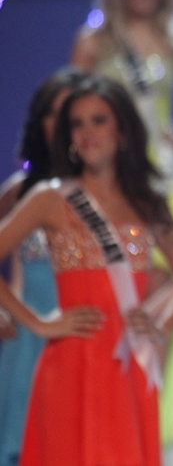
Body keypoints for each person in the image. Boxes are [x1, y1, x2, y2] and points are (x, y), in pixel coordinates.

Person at [0, 75, 173, 465]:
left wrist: (162, 325)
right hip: (69, 362)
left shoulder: (147, 202)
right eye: (77, 123)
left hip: (127, 364)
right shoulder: (49, 198)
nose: (88, 132)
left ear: (123, 129)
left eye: (99, 120)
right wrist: (39, 323)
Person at [70, 0, 173, 444]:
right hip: (109, 178)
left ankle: (145, 411)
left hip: (165, 184)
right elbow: (66, 108)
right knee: (121, 290)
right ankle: (107, 407)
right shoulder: (94, 41)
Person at [0, 67, 85, 466]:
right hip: (27, 334)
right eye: (53, 112)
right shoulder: (19, 190)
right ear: (40, 121)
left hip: (83, 331)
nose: (64, 122)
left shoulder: (107, 191)